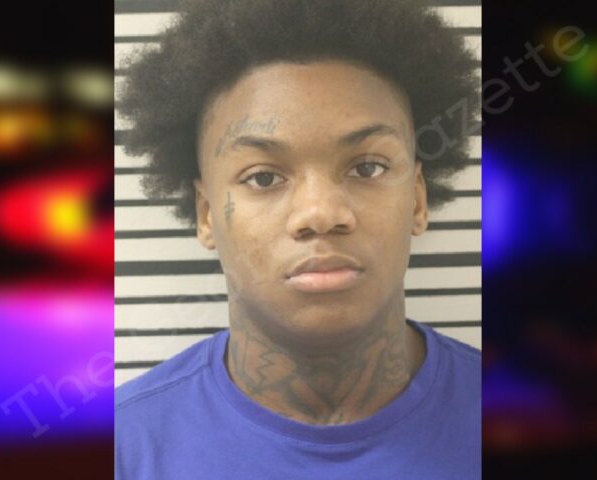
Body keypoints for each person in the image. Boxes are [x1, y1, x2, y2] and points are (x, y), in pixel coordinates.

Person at [115, 0, 480, 478]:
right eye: (264, 177)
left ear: (417, 198)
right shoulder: (122, 448)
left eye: (368, 167)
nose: (321, 214)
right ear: (206, 214)